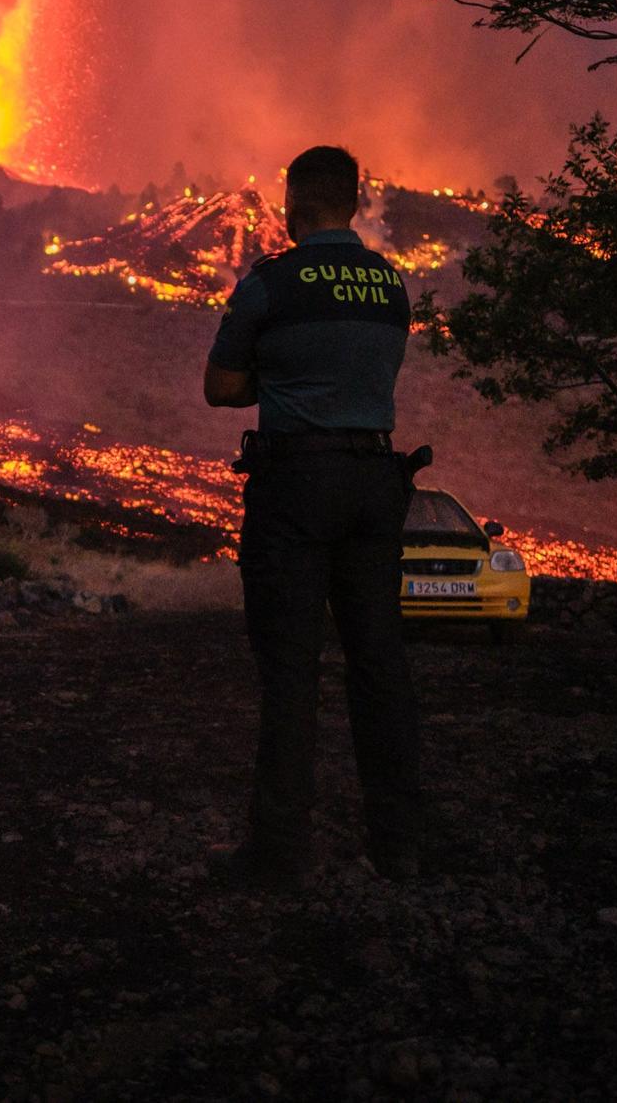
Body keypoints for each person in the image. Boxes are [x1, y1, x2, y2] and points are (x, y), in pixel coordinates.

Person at [202, 144, 423, 886]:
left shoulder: (269, 285)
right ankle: (400, 844)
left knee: (291, 668)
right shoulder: (391, 286)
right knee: (380, 663)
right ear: (355, 204)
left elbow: (222, 385)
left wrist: (276, 380)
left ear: (292, 205)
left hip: (296, 482)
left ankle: (280, 852)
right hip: (375, 482)